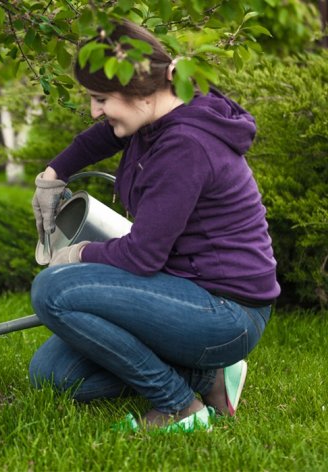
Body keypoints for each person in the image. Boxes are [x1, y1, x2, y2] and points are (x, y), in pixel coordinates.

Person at [29, 20, 280, 432]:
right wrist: (54, 173)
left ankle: (180, 407)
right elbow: (103, 136)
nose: (95, 110)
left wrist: (76, 255)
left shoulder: (185, 145)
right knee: (54, 376)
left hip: (225, 312)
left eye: (100, 98)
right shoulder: (162, 112)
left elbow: (141, 255)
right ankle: (206, 375)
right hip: (182, 291)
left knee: (53, 290)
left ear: (138, 91)